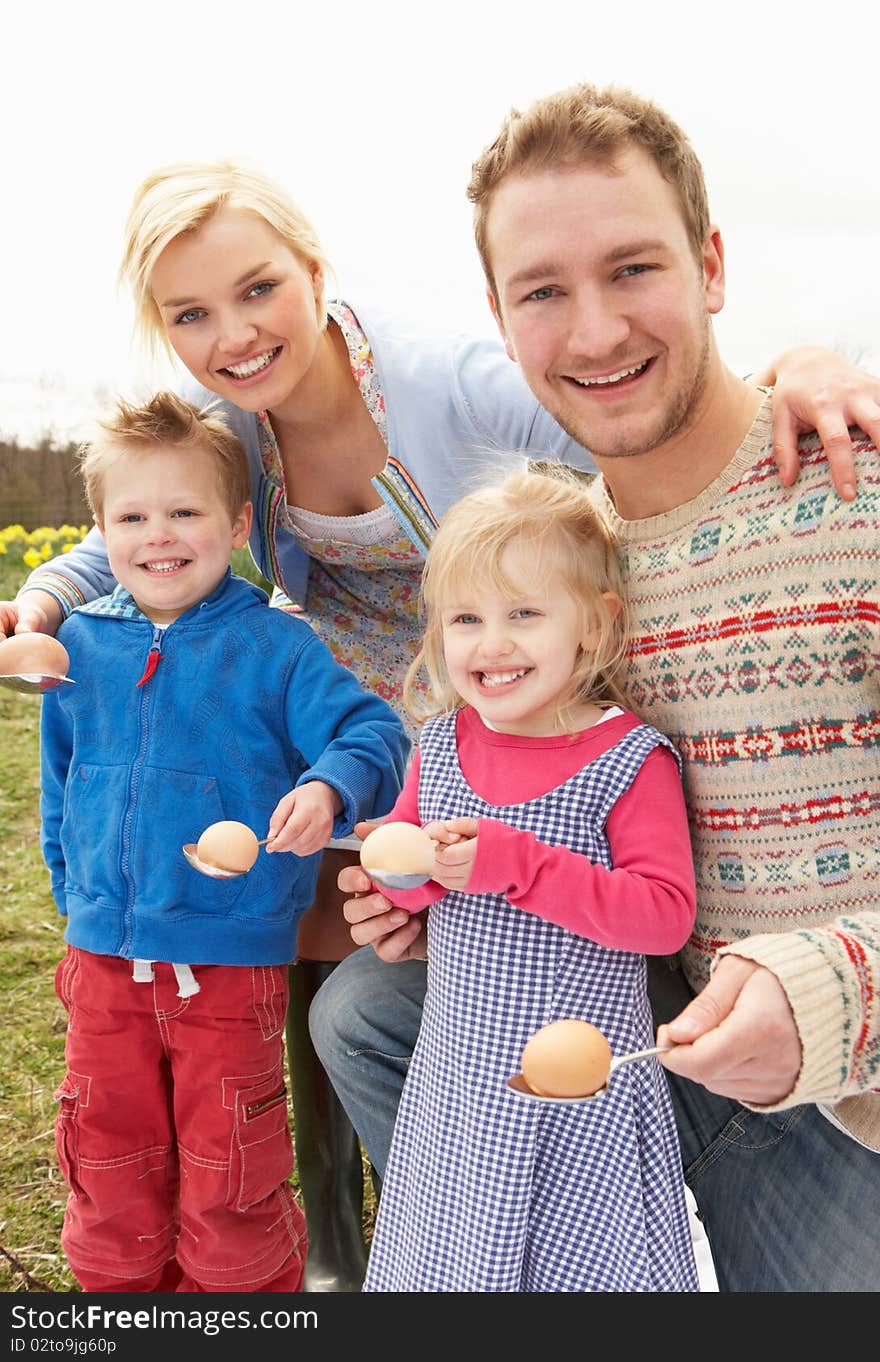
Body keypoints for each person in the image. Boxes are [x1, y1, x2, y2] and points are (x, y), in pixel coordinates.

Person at [2, 160, 877, 1292]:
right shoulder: (235, 425)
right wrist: (45, 603)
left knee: (390, 953)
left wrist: (792, 370)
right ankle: (399, 1230)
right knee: (346, 960)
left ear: (316, 273)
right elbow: (126, 523)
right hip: (398, 733)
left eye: (257, 288)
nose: (233, 333)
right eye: (190, 315)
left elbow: (625, 395)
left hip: (518, 709)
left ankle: (541, 1199)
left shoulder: (450, 385)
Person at [315, 82, 880, 1293]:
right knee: (367, 1006)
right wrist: (427, 895)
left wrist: (840, 985)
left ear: (712, 265)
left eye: (633, 269)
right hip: (632, 1022)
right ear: (499, 317)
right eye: (543, 292)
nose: (591, 334)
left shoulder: (853, 497)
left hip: (849, 1099)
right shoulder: (563, 569)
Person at [40, 391, 407, 1293]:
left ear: (238, 522)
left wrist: (328, 787)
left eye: (185, 512)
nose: (158, 535)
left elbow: (373, 736)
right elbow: (60, 784)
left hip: (230, 965)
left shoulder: (276, 649)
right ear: (100, 529)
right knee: (108, 1149)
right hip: (102, 962)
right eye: (132, 516)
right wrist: (75, 890)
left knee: (229, 1162)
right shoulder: (78, 647)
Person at [359, 467, 699, 1291]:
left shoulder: (626, 760)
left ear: (592, 626)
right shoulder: (441, 745)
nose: (492, 644)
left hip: (582, 1098)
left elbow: (664, 917)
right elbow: (404, 879)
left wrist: (517, 863)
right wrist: (409, 875)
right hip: (462, 1085)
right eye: (466, 619)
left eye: (524, 614)